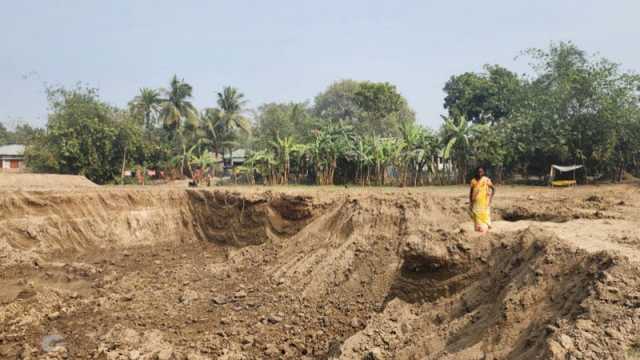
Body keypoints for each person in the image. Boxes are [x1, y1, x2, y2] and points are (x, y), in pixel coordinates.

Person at [469, 167, 495, 233]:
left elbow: (493, 189)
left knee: (484, 221)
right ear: (476, 172)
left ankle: (484, 234)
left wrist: (490, 199)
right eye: (478, 172)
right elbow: (471, 193)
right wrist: (471, 203)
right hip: (476, 204)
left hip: (484, 204)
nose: (479, 173)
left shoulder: (486, 180)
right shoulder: (473, 181)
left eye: (481, 172)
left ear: (483, 172)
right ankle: (479, 235)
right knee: (477, 221)